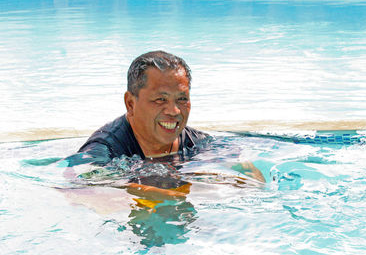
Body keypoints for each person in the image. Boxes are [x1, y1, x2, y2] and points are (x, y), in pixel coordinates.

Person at [65, 50, 264, 195]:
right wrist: (179, 192)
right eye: (160, 100)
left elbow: (251, 176)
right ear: (130, 103)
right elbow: (76, 185)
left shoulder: (200, 143)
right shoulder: (104, 149)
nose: (174, 111)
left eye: (182, 99)